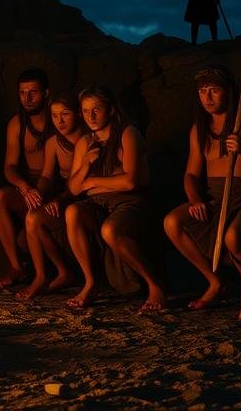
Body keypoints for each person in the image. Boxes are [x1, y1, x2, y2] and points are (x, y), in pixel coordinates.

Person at [163, 65, 241, 320]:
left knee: (233, 237)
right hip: (217, 196)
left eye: (214, 90)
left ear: (229, 92)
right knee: (172, 222)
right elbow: (190, 175)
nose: (207, 97)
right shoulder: (199, 130)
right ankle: (215, 281)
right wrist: (196, 199)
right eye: (202, 91)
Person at [64, 85, 167, 313]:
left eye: (96, 110)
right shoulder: (85, 142)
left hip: (129, 204)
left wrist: (91, 182)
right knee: (72, 212)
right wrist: (86, 166)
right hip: (98, 205)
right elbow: (73, 188)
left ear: (110, 110)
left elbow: (130, 182)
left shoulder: (128, 133)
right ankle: (90, 283)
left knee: (110, 230)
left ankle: (154, 285)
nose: (90, 116)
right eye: (86, 110)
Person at [16, 91, 86, 300]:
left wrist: (59, 199)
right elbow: (46, 175)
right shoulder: (54, 142)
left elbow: (80, 185)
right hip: (62, 195)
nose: (59, 121)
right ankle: (46, 274)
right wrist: (38, 191)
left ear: (78, 114)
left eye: (65, 114)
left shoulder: (88, 139)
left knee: (37, 219)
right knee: (32, 216)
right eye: (54, 116)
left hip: (82, 197)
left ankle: (66, 273)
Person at [0, 67, 53, 289]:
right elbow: (9, 167)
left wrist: (41, 191)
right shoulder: (17, 124)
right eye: (22, 92)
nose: (27, 98)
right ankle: (16, 266)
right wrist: (25, 187)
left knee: (26, 238)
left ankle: (46, 271)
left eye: (33, 92)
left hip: (54, 186)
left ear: (46, 93)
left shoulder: (59, 119)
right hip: (29, 185)